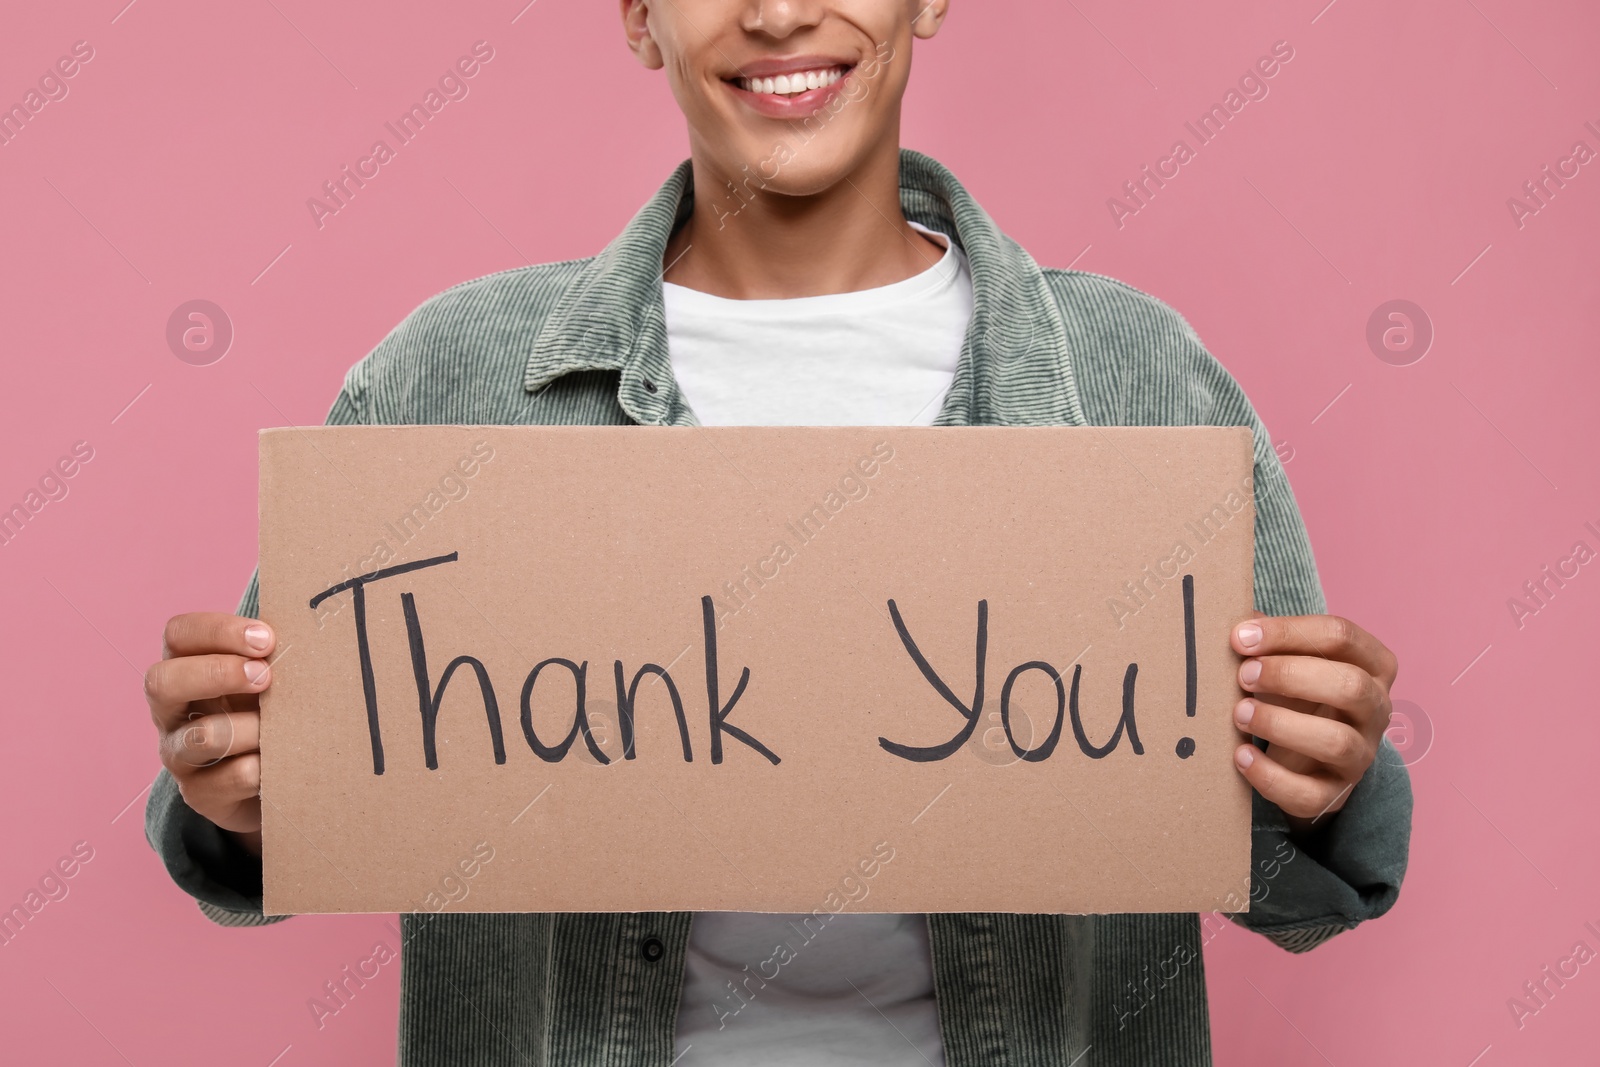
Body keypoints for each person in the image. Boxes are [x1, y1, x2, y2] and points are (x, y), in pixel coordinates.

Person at [142, 2, 1412, 1064]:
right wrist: (238, 786)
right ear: (639, 14)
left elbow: (1288, 876)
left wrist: (1323, 777)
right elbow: (253, 823)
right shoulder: (444, 379)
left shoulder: (1136, 372)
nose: (779, 8)